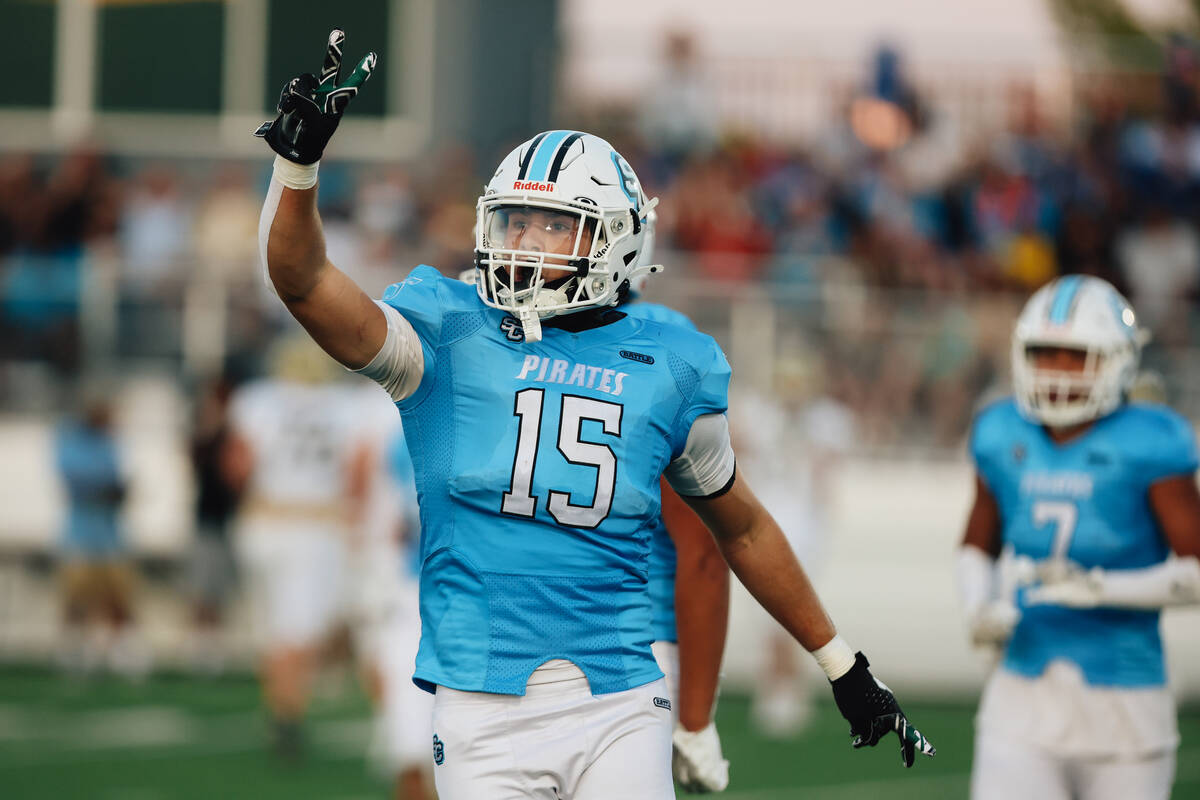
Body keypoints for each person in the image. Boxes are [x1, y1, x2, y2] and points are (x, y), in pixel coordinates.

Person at [254, 30, 934, 798]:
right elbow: (304, 283)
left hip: (618, 695)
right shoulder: (447, 331)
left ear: (615, 239)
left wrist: (842, 665)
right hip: (479, 696)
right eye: (515, 222)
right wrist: (297, 172)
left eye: (554, 226)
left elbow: (738, 526)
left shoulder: (671, 361)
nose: (526, 244)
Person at [957, 274, 1200, 800]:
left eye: (1076, 356)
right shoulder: (1001, 431)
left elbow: (1197, 570)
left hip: (1126, 699)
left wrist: (1100, 587)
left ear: (1119, 360)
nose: (1057, 371)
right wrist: (979, 607)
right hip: (1021, 690)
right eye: (1045, 353)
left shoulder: (1151, 441)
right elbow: (978, 542)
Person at [225, 335, 368, 760]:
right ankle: (287, 715)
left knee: (274, 628)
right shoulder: (347, 407)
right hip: (314, 525)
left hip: (262, 521)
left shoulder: (257, 400)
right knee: (299, 630)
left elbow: (237, 465)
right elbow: (357, 472)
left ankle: (279, 707)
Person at [54, 388, 147, 678]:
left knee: (118, 598)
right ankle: (73, 654)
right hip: (80, 535)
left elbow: (117, 485)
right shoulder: (70, 439)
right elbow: (78, 484)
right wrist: (108, 490)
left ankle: (122, 654)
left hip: (110, 536)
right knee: (76, 599)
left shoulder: (110, 442)